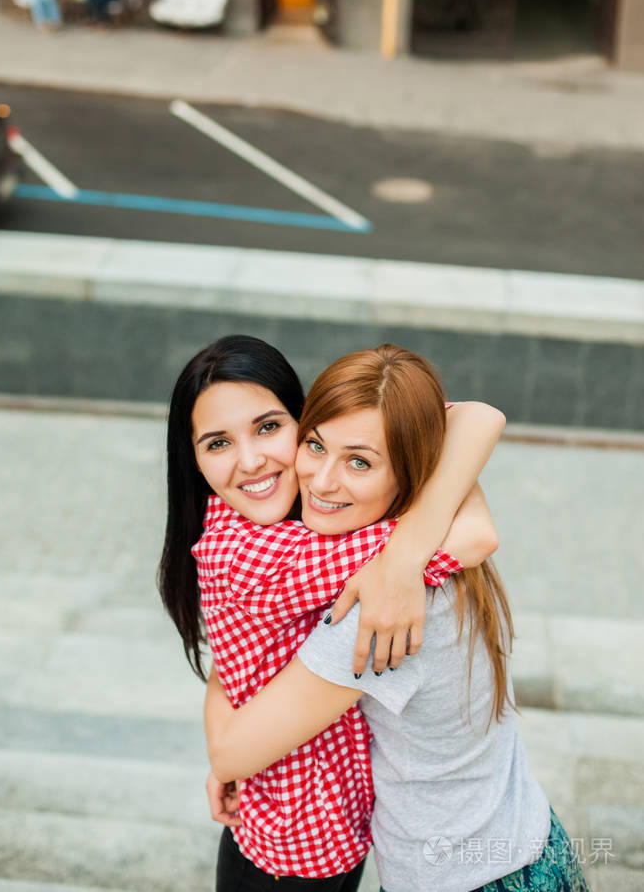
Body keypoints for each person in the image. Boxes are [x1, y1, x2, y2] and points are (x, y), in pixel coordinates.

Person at [204, 345, 590, 892]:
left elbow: (232, 751)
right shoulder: (425, 543)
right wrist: (405, 554)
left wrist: (221, 684)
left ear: (410, 472)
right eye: (315, 445)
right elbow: (475, 419)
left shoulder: (381, 613)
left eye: (359, 461)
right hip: (529, 844)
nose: (321, 481)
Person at [159, 336, 505, 891]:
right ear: (193, 458)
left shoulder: (248, 518)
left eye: (270, 428)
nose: (250, 461)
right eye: (218, 443)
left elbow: (477, 417)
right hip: (293, 854)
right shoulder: (271, 555)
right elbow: (476, 531)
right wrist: (401, 560)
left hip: (319, 830)